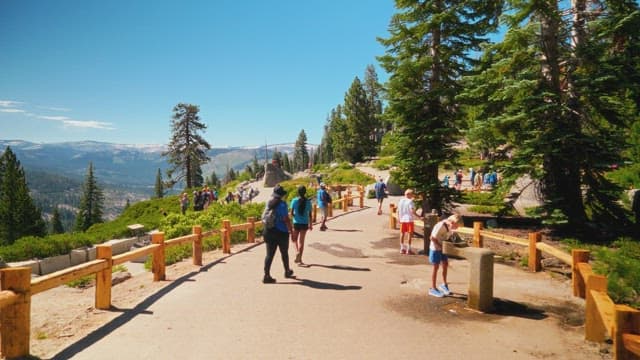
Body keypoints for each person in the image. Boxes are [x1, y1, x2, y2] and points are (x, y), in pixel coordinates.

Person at [262, 184, 294, 283]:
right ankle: (287, 271)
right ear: (281, 195)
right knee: (284, 253)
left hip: (268, 231)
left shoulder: (269, 203)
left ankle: (266, 275)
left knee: (269, 255)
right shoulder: (282, 204)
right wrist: (291, 231)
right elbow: (286, 219)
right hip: (281, 233)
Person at [428, 214, 461, 297]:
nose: (457, 228)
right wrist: (439, 246)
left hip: (443, 247)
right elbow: (432, 237)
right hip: (435, 248)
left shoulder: (450, 226)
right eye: (456, 226)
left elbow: (450, 236)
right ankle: (433, 288)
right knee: (436, 267)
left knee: (445, 264)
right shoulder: (440, 226)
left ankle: (444, 284)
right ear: (452, 222)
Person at [290, 185, 313, 264]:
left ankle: (297, 252)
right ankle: (300, 259)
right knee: (301, 242)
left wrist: (295, 217)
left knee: (294, 239)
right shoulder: (308, 202)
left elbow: (291, 213)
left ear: (298, 192)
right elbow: (310, 214)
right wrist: (311, 225)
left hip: (296, 223)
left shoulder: (294, 200)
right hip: (305, 223)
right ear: (305, 192)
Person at [397, 189, 419, 255]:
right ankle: (408, 249)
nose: (413, 196)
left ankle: (402, 248)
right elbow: (412, 211)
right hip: (409, 219)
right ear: (409, 194)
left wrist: (398, 218)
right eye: (412, 194)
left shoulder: (400, 201)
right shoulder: (410, 202)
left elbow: (398, 210)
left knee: (402, 233)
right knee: (409, 234)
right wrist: (419, 216)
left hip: (402, 219)